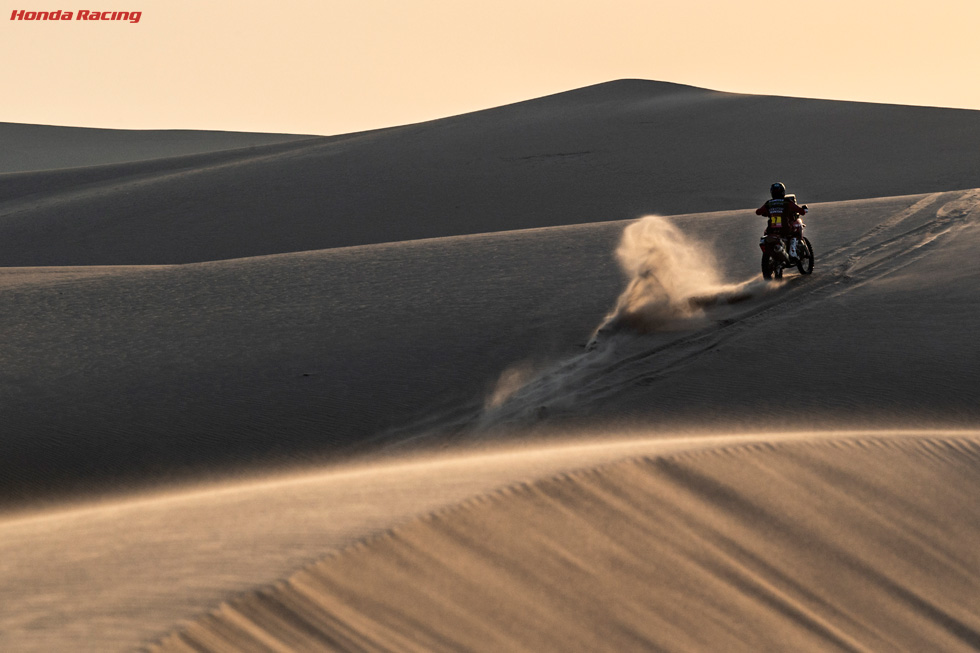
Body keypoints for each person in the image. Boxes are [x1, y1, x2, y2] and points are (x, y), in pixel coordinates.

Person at [756, 182, 807, 261]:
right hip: (785, 228)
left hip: (771, 230)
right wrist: (802, 210)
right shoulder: (787, 202)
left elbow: (758, 212)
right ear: (783, 192)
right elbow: (800, 210)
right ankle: (792, 251)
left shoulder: (768, 203)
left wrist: (768, 212)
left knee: (766, 237)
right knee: (794, 233)